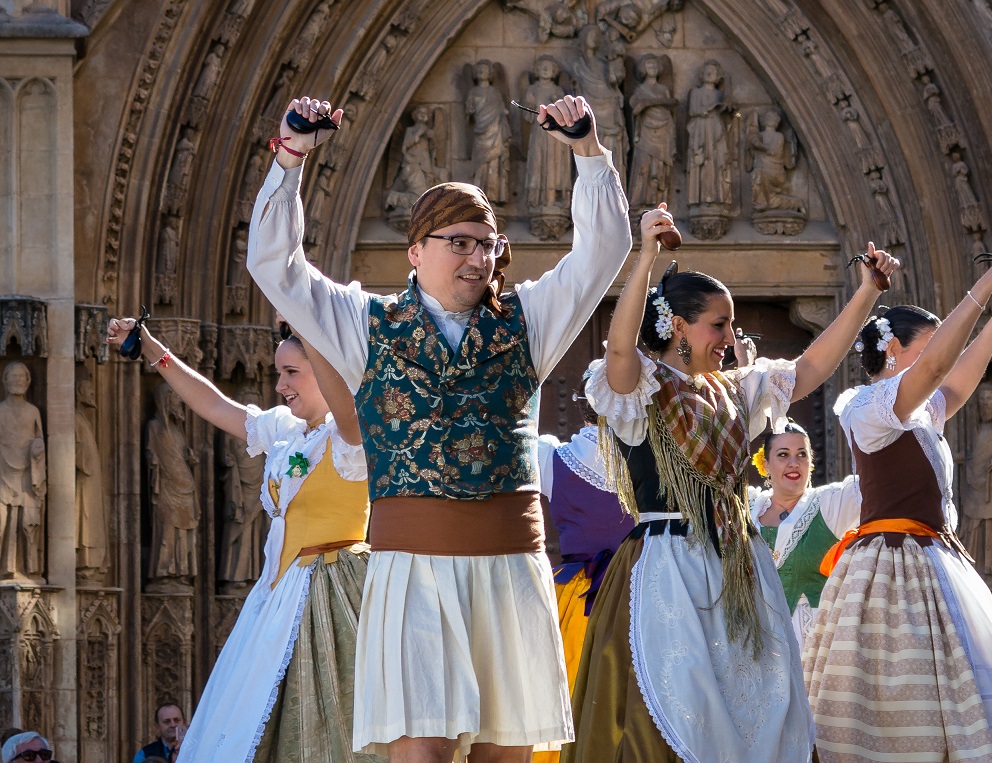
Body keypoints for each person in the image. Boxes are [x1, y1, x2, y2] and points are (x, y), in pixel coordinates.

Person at [246, 93, 632, 763]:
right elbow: (274, 267)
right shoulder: (365, 323)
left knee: (499, 755)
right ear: (416, 251)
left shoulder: (529, 320)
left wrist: (589, 154)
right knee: (419, 753)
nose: (479, 257)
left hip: (508, 566)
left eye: (487, 243)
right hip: (412, 567)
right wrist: (290, 158)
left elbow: (605, 249)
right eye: (460, 242)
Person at [564, 206, 899, 762]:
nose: (727, 336)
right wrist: (644, 257)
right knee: (676, 707)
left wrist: (866, 293)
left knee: (763, 705)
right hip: (667, 568)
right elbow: (620, 350)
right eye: (717, 324)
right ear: (678, 325)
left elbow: (812, 366)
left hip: (739, 565)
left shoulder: (736, 391)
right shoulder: (638, 390)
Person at [106, 318, 379, 763]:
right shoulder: (285, 431)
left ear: (327, 368)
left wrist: (313, 320)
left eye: (291, 372)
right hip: (276, 595)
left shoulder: (352, 437)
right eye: (277, 373)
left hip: (332, 588)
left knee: (333, 717)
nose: (279, 385)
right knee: (253, 715)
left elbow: (347, 407)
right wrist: (154, 352)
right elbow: (214, 406)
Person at [804, 257, 992, 762]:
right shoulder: (867, 407)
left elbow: (952, 384)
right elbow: (935, 372)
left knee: (954, 691)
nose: (941, 360)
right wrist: (986, 283)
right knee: (893, 701)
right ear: (892, 350)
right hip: (891, 569)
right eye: (931, 347)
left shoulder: (916, 409)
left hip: (932, 561)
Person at [531, 382, 635, 763]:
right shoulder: (653, 458)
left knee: (571, 693)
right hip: (638, 592)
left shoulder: (551, 458)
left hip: (576, 598)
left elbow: (517, 436)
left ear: (582, 405)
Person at [748, 419, 860, 655]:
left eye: (801, 454)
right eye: (783, 455)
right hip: (759, 642)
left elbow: (876, 482)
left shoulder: (829, 504)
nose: (793, 463)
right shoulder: (749, 508)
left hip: (813, 642)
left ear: (810, 463)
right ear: (766, 464)